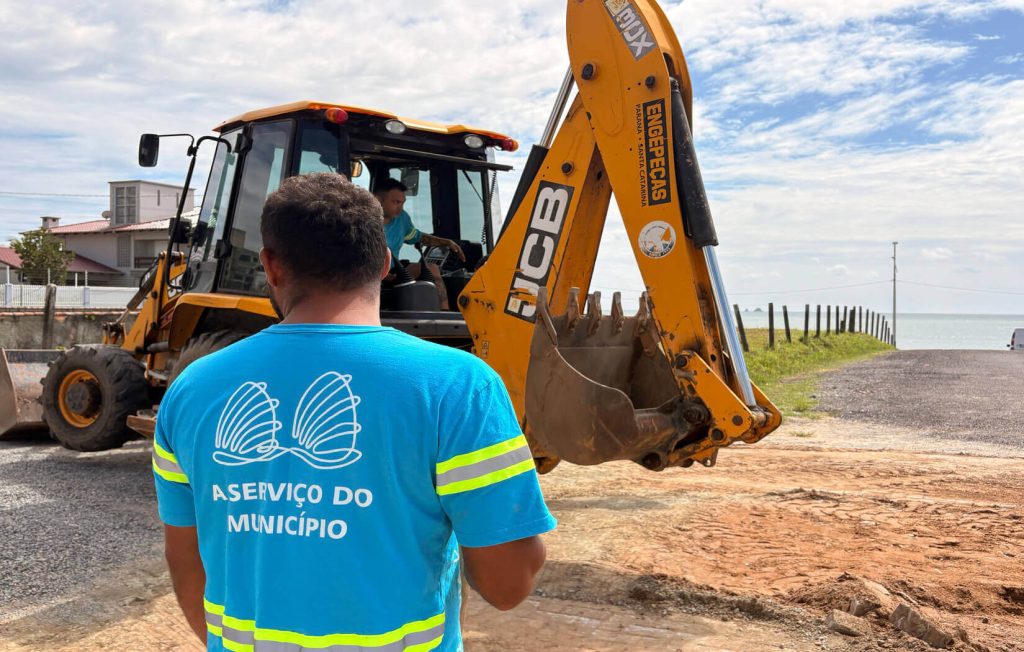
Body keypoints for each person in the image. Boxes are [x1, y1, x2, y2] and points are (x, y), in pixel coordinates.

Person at [153, 172, 555, 651]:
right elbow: (508, 584)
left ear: (271, 267)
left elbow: (186, 562)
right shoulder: (459, 387)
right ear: (384, 262)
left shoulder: (191, 390)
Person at [373, 177, 464, 310]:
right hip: (368, 272)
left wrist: (447, 243)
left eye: (402, 203)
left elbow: (418, 237)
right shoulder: (362, 220)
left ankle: (444, 313)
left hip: (394, 269)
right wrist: (381, 273)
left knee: (432, 269)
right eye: (396, 202)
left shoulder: (402, 219)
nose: (400, 208)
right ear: (378, 200)